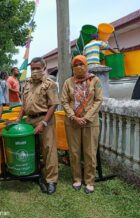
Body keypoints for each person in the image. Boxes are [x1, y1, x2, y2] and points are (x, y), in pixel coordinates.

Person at [17, 57, 59, 195]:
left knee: (48, 149)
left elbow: (53, 104)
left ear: (44, 68)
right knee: (32, 149)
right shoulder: (27, 83)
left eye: (37, 68)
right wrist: (18, 119)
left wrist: (44, 122)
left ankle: (51, 180)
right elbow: (24, 104)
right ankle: (36, 173)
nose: (34, 71)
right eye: (32, 68)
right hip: (29, 120)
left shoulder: (50, 84)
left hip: (44, 119)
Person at [61, 55, 103, 194]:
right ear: (72, 68)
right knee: (74, 152)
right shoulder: (68, 82)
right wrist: (73, 116)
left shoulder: (95, 80)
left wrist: (86, 117)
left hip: (90, 122)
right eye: (76, 65)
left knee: (90, 152)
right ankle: (77, 179)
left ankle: (90, 181)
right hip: (72, 122)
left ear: (86, 65)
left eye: (81, 64)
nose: (79, 67)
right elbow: (64, 101)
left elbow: (99, 100)